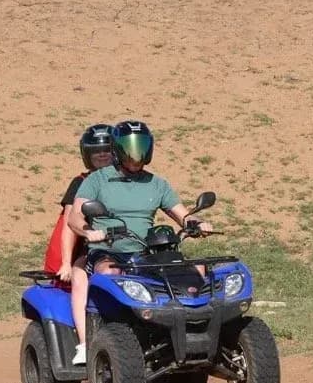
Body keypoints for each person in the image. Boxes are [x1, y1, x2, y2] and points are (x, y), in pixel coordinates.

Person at [66, 120, 212, 364]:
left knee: (196, 270)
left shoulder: (157, 183)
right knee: (108, 271)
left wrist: (196, 223)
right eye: (131, 147)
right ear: (118, 149)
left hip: (146, 254)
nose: (137, 153)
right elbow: (74, 217)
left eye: (142, 146)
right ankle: (91, 343)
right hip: (108, 251)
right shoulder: (98, 180)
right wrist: (89, 232)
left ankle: (190, 330)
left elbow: (182, 214)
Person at [40, 124, 114, 364]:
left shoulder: (126, 180)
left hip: (125, 247)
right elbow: (68, 224)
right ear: (87, 154)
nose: (102, 154)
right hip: (90, 247)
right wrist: (64, 262)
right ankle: (84, 344)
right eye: (97, 151)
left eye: (108, 149)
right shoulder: (81, 182)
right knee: (81, 272)